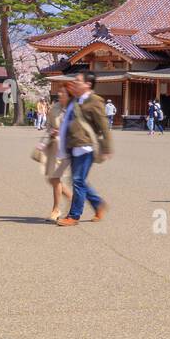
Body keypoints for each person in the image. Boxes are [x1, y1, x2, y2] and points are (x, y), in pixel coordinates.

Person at [56, 72, 113, 227]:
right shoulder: (75, 100)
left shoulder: (95, 102)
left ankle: (74, 216)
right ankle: (98, 204)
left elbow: (104, 126)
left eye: (78, 80)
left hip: (85, 147)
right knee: (78, 180)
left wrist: (107, 147)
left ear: (88, 84)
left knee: (77, 181)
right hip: (73, 145)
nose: (74, 82)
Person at [42, 85, 73, 221]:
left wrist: (64, 132)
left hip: (68, 148)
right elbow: (48, 125)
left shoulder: (74, 109)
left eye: (63, 93)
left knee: (55, 178)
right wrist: (51, 131)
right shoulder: (54, 108)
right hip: (54, 146)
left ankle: (56, 209)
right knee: (52, 178)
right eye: (59, 93)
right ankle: (73, 199)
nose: (60, 95)